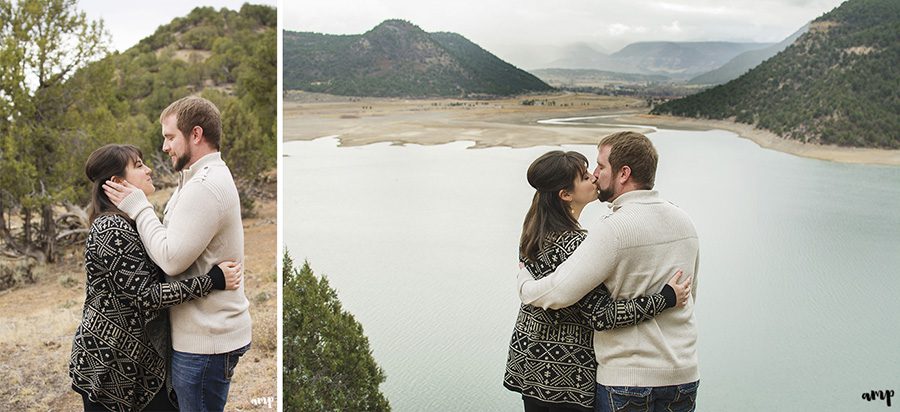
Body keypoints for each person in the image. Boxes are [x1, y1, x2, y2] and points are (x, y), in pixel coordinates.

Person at [517, 132, 701, 412]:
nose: (595, 174)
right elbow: (691, 294)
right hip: (683, 374)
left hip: (624, 378)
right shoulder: (684, 221)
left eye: (601, 167)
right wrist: (666, 299)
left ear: (623, 173)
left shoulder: (611, 229)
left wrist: (523, 285)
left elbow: (566, 295)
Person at [103, 96, 252, 411]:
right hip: (199, 338)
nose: (164, 147)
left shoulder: (205, 187)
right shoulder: (194, 182)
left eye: (170, 137)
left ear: (195, 135)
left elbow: (171, 258)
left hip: (205, 343)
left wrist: (140, 207)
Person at [70, 144, 243, 411]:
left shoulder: (134, 222)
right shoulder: (110, 229)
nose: (149, 169)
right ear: (117, 182)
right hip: (109, 365)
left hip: (141, 365)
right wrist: (212, 281)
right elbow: (146, 296)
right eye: (138, 165)